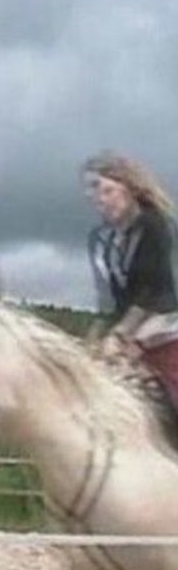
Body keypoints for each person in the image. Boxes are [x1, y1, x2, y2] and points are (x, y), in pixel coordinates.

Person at [83, 151, 178, 412]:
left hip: (165, 325)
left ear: (130, 188)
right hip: (127, 329)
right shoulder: (99, 241)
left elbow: (152, 292)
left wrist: (121, 336)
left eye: (108, 191)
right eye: (95, 196)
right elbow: (106, 300)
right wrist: (93, 340)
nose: (101, 201)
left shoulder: (156, 226)